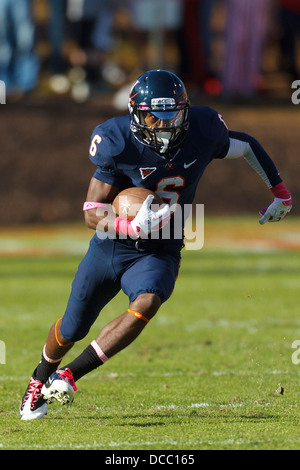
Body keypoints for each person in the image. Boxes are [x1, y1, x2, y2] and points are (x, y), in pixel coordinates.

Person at [20, 69, 292, 420]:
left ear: (185, 111)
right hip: (112, 244)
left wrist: (280, 194)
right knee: (72, 326)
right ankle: (41, 374)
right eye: (153, 115)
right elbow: (91, 212)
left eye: (172, 115)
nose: (163, 125)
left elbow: (246, 145)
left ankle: (71, 373)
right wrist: (129, 226)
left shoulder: (203, 130)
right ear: (136, 111)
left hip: (163, 246)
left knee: (147, 302)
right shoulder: (116, 139)